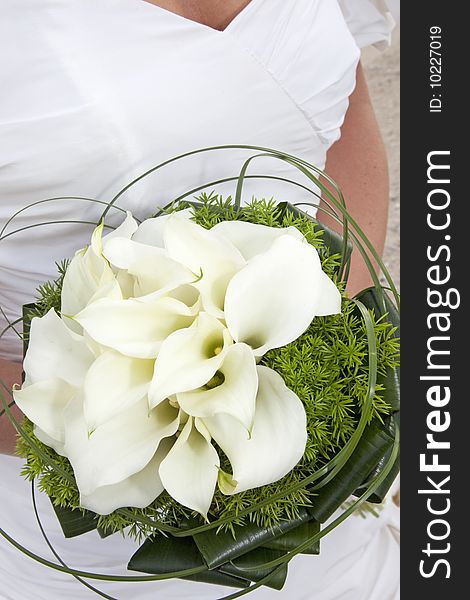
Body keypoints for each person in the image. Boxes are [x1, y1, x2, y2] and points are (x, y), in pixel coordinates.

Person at [0, 1, 400, 597]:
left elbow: (339, 113)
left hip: (318, 489)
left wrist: (338, 335)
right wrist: (104, 427)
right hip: (87, 510)